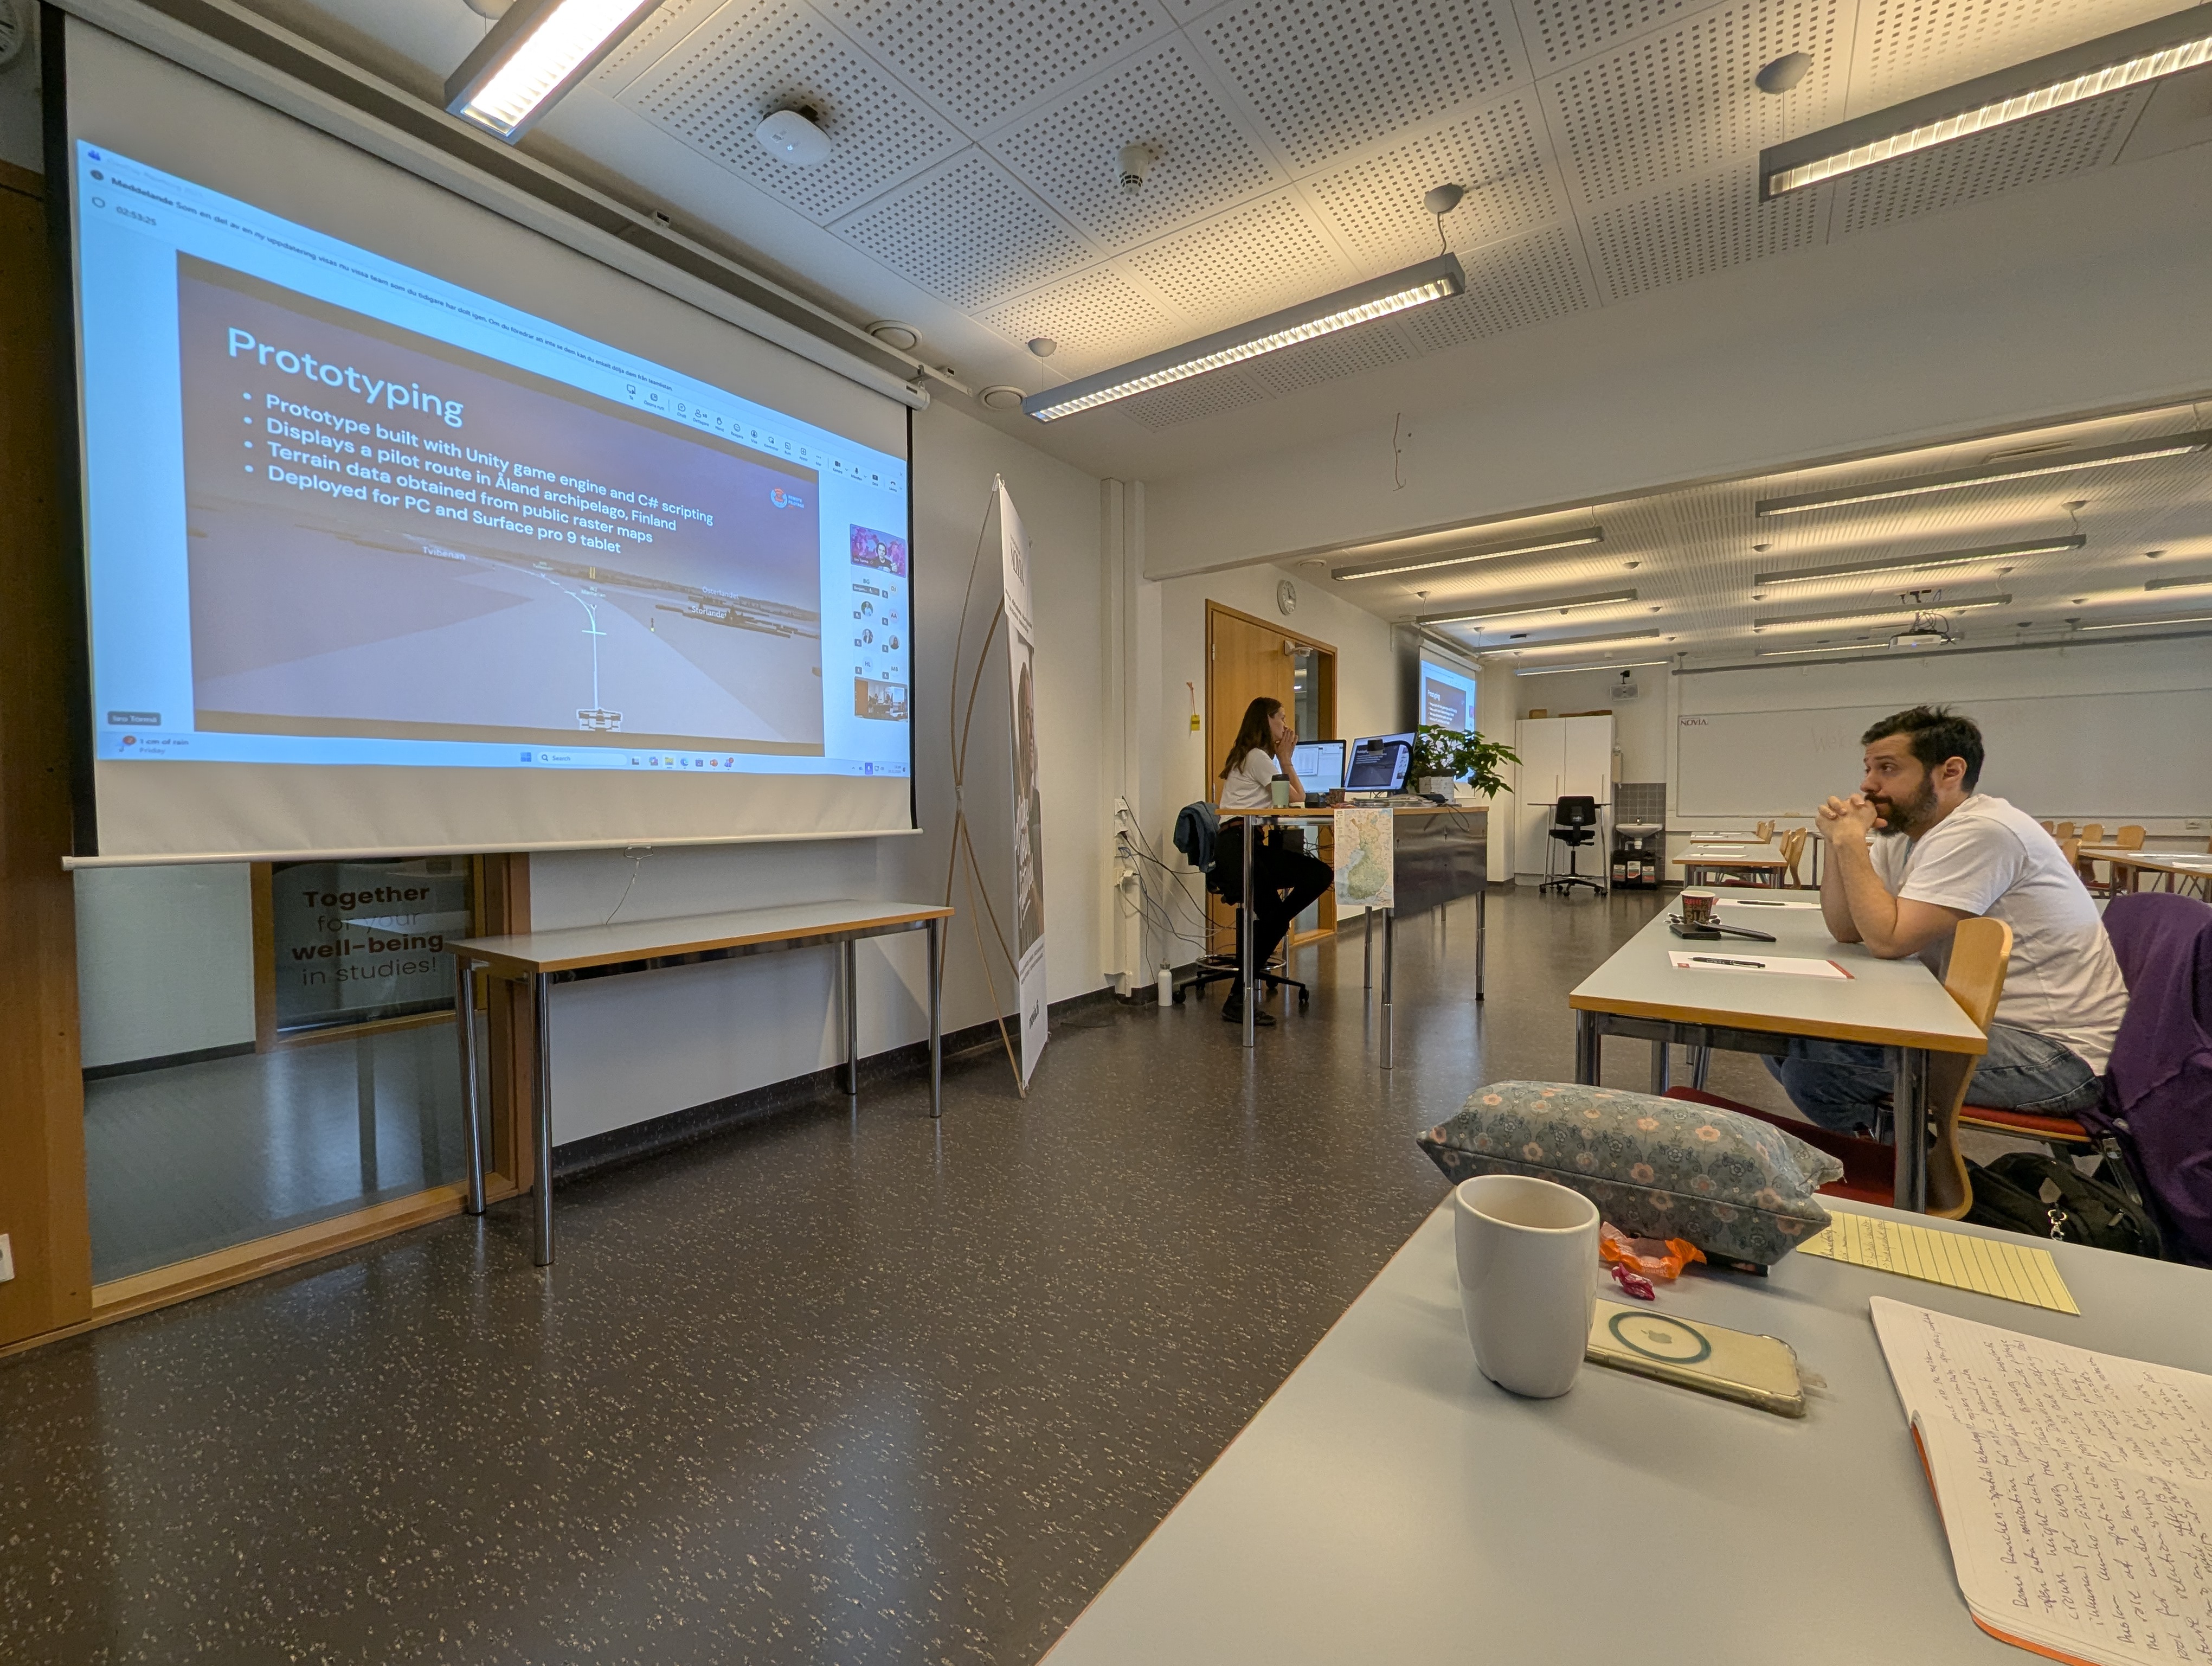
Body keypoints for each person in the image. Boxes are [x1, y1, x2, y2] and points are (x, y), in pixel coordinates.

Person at [1767, 704, 2129, 1133]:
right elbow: (1847, 930)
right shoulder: (1906, 834)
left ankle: (1916, 1171)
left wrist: (1850, 844)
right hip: (1972, 1022)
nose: (1868, 784)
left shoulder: (1985, 831)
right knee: (1781, 1040)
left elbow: (1888, 941)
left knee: (1819, 1071)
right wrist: (1838, 843)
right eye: (1868, 768)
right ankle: (1903, 1160)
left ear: (1950, 772)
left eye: (1887, 768)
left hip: (2054, 1056)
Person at [1216, 696, 1333, 1027]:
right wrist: (1285, 760)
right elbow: (1297, 798)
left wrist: (1283, 761)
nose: (1286, 724)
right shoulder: (1257, 757)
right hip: (1237, 849)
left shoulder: (1256, 757)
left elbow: (1297, 799)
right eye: (1280, 718)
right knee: (1280, 916)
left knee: (1318, 874)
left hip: (1248, 845)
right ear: (1266, 721)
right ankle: (1237, 1000)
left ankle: (1275, 922)